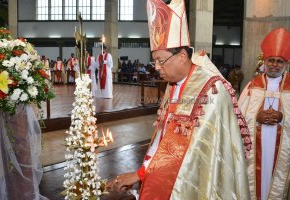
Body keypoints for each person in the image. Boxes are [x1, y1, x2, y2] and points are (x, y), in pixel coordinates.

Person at [106, 0, 252, 199]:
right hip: (163, 173)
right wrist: (143, 172)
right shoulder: (174, 84)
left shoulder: (211, 90)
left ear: (182, 56)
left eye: (160, 60)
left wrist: (140, 174)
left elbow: (185, 150)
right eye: (154, 60)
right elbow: (164, 136)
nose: (156, 67)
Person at [238, 27, 290, 200]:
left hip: (282, 146)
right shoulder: (252, 86)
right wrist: (256, 117)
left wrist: (283, 118)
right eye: (271, 60)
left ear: (285, 64)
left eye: (279, 61)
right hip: (256, 143)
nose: (274, 65)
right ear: (265, 61)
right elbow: (238, 115)